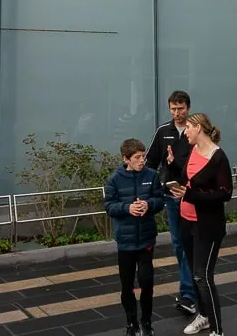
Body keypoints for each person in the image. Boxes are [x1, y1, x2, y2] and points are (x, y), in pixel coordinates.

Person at [169, 114, 233, 336]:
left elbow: (225, 193)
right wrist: (179, 189)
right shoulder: (192, 151)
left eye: (188, 127)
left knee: (202, 276)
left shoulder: (218, 157)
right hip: (186, 221)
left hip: (208, 225)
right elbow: (189, 180)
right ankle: (203, 317)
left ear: (198, 128)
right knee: (194, 272)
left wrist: (192, 194)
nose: (185, 131)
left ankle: (217, 329)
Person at [104, 139, 165, 336]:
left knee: (146, 282)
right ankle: (132, 323)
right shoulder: (114, 179)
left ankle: (146, 322)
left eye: (143, 156)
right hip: (125, 241)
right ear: (126, 159)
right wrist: (127, 208)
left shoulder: (151, 175)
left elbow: (159, 200)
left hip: (146, 239)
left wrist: (149, 205)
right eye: (137, 158)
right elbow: (109, 206)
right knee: (127, 285)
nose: (142, 161)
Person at [144, 90, 197, 317]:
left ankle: (188, 293)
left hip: (192, 197)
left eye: (181, 108)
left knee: (187, 246)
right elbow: (150, 163)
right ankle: (192, 283)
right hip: (170, 197)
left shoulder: (194, 131)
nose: (177, 113)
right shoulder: (163, 131)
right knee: (178, 245)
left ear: (188, 108)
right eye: (173, 109)